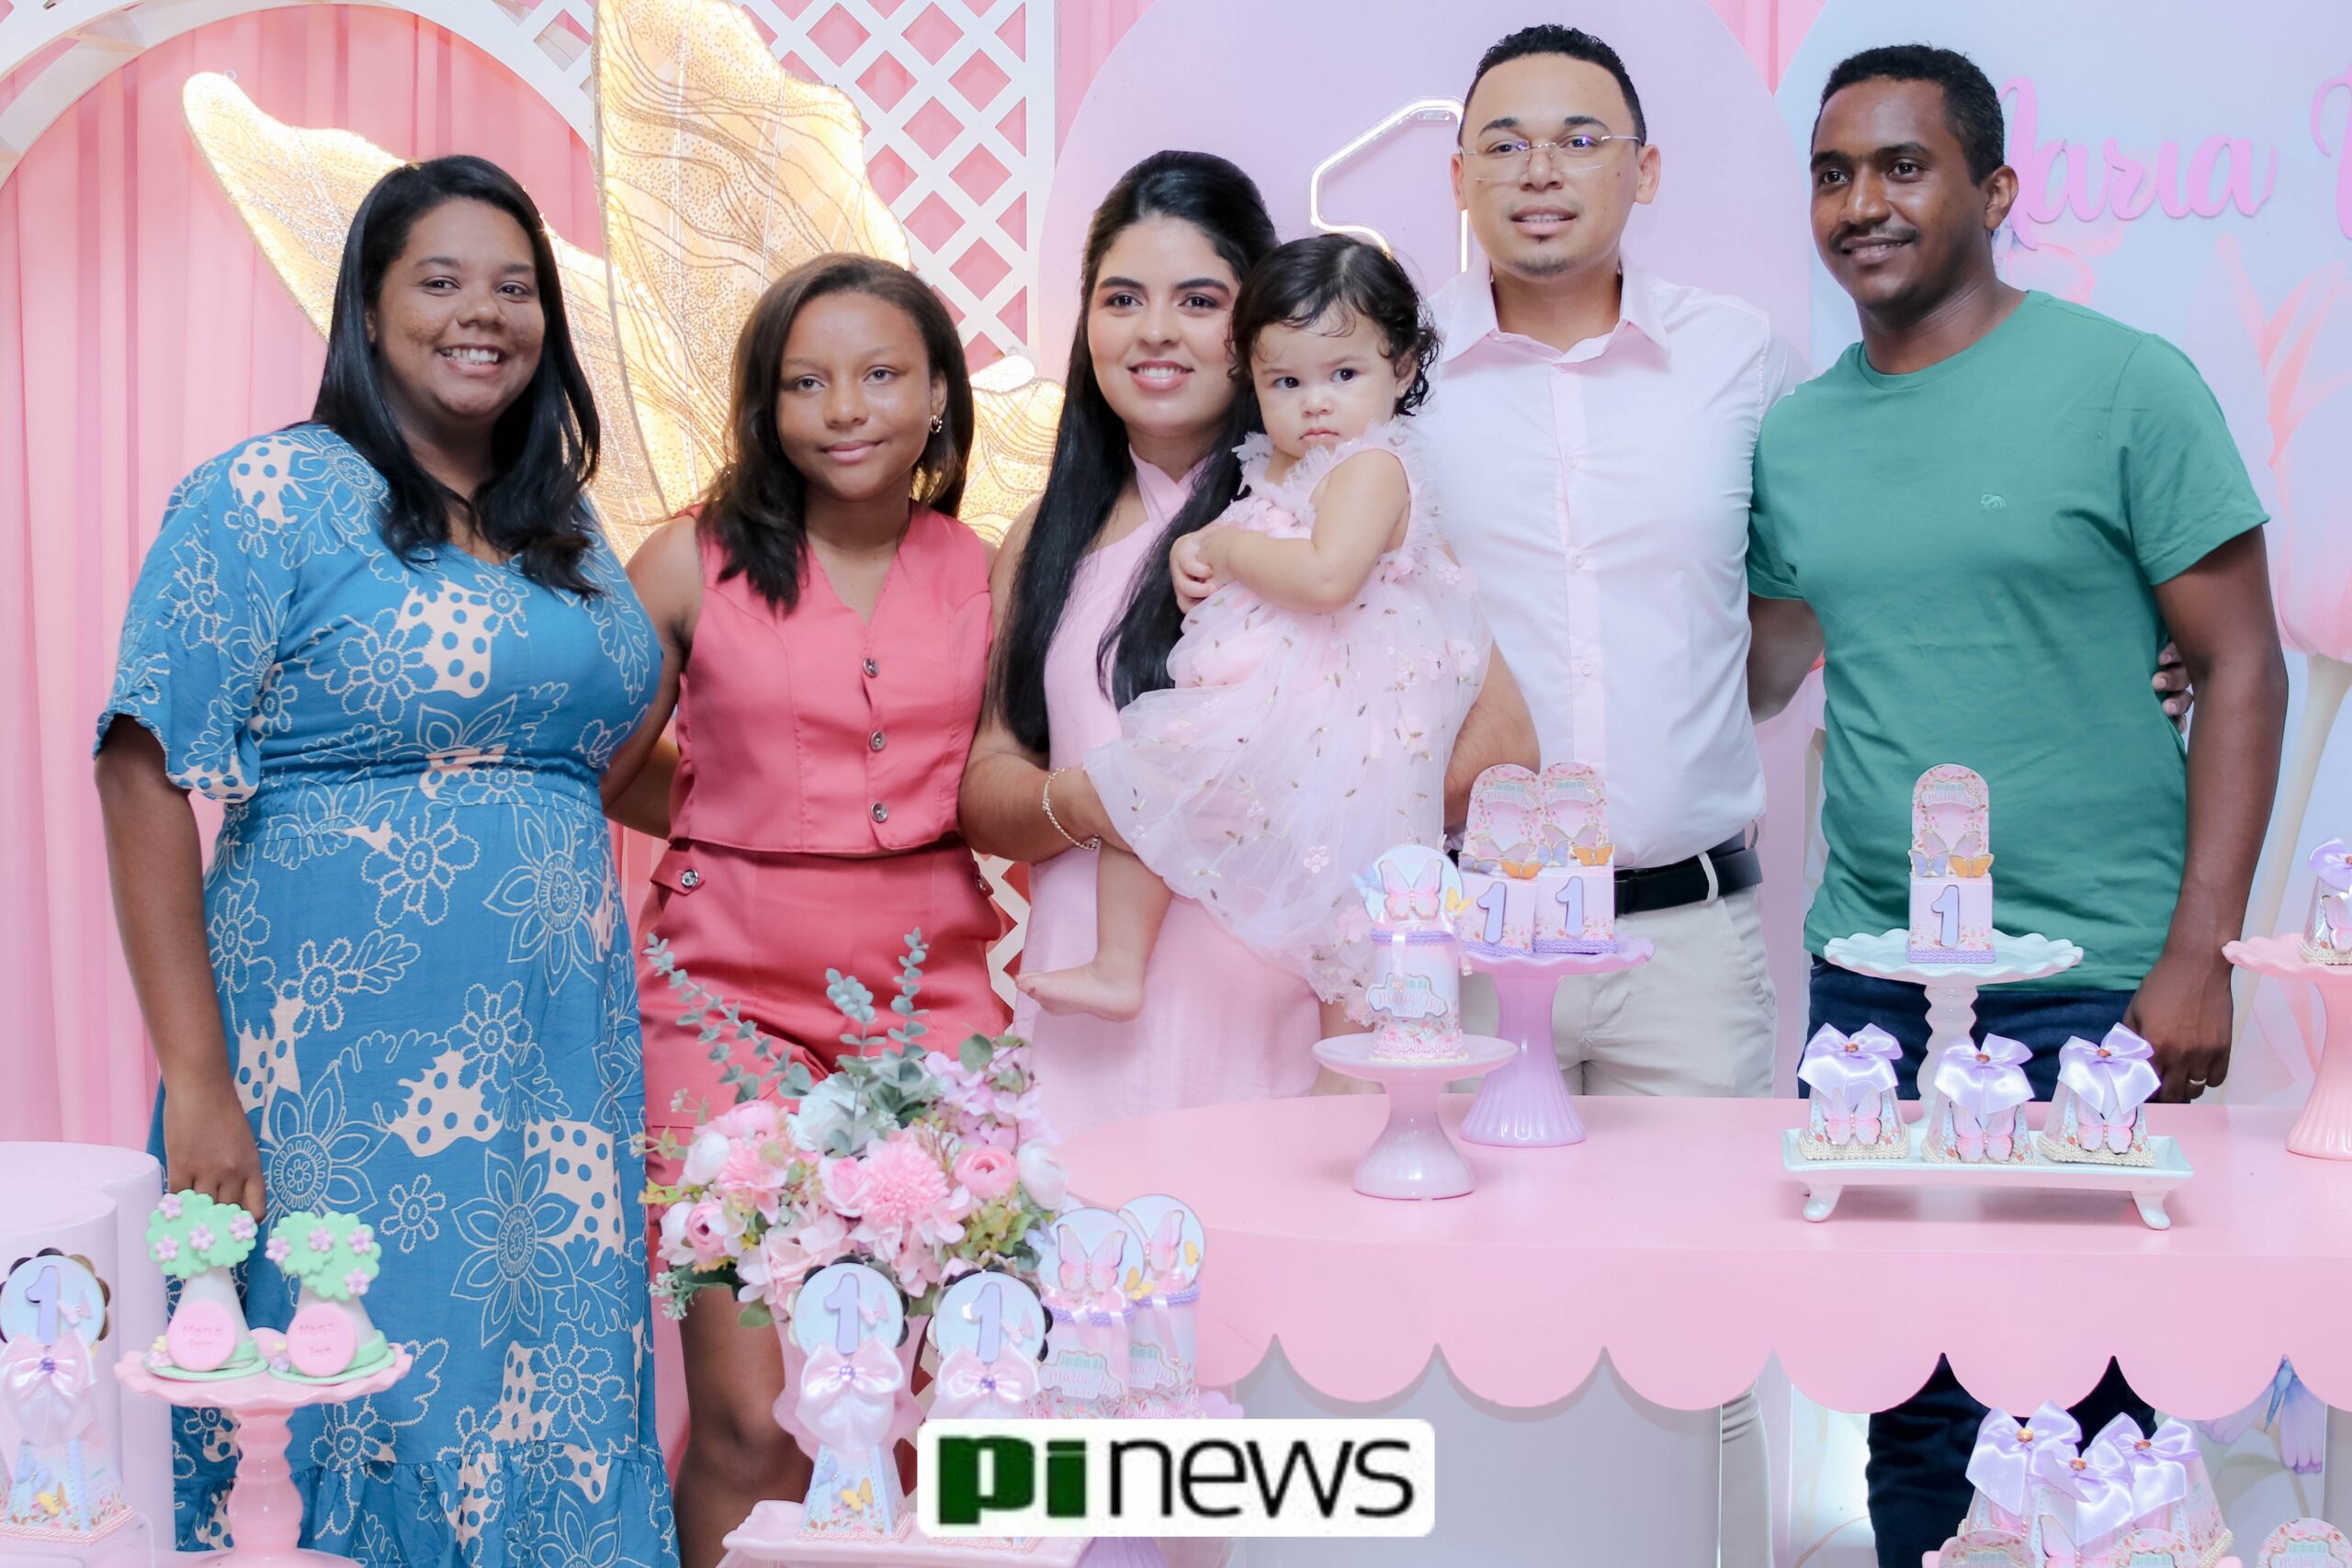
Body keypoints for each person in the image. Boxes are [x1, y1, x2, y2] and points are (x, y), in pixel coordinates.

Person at [1745, 45, 2287, 1566]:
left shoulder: (2124, 384)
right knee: (1909, 1397)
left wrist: (2201, 953)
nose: (1863, 202)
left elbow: (2242, 662)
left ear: (1993, 192)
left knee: (2098, 1402)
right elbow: (1766, 659)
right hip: (1878, 986)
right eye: (1834, 172)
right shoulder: (1796, 433)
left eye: (1903, 166)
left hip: (2099, 975)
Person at [93, 156, 675, 1562]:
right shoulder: (267, 495)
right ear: (365, 305)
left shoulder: (564, 524)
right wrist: (198, 1078)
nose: (485, 312)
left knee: (551, 1384)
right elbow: (142, 763)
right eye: (442, 280)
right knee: (353, 1376)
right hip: (337, 1063)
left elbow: (580, 755)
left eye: (516, 286)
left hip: (555, 1064)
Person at [959, 152, 1533, 1134]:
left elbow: (1500, 754)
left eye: (1198, 300)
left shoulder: (1325, 506)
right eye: (1121, 298)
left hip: (1288, 1019)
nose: (1154, 330)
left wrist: (1259, 793)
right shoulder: (1040, 535)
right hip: (1094, 1013)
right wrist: (1096, 801)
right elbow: (986, 788)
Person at [602, 254, 1006, 1568]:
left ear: (938, 395)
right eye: (805, 381)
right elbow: (596, 765)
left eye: (882, 374)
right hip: (718, 1006)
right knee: (748, 1415)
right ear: (764, 406)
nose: (845, 409)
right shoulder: (687, 559)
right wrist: (736, 817)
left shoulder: (992, 572)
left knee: (939, 1399)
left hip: (935, 1007)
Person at [1018, 234, 1487, 1023]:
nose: (1316, 403)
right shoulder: (1277, 463)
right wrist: (1195, 552)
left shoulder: (1371, 467)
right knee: (1142, 787)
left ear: (1403, 368)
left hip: (1329, 721)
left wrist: (1229, 550)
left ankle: (1344, 1069)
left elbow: (1328, 577)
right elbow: (1249, 540)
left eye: (1344, 375)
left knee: (1340, 903)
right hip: (1269, 704)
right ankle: (1118, 964)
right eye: (1286, 382)